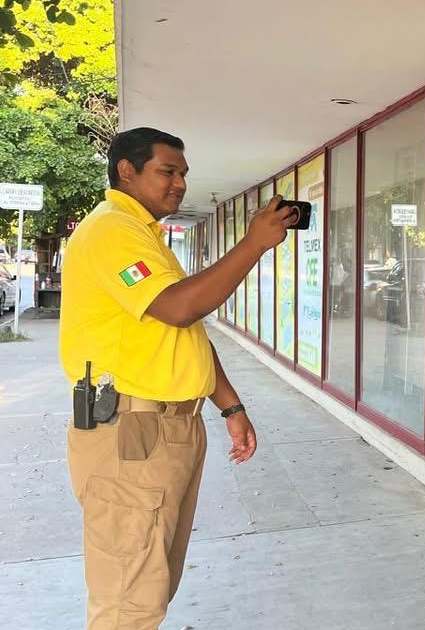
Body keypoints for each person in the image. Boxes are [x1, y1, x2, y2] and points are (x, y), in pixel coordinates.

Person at [60, 127, 296, 630]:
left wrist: (230, 405)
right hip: (132, 431)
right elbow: (179, 307)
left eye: (184, 174)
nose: (181, 184)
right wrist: (253, 244)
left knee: (152, 582)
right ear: (127, 170)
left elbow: (184, 331)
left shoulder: (145, 235)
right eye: (168, 171)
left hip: (167, 427)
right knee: (129, 598)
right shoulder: (112, 229)